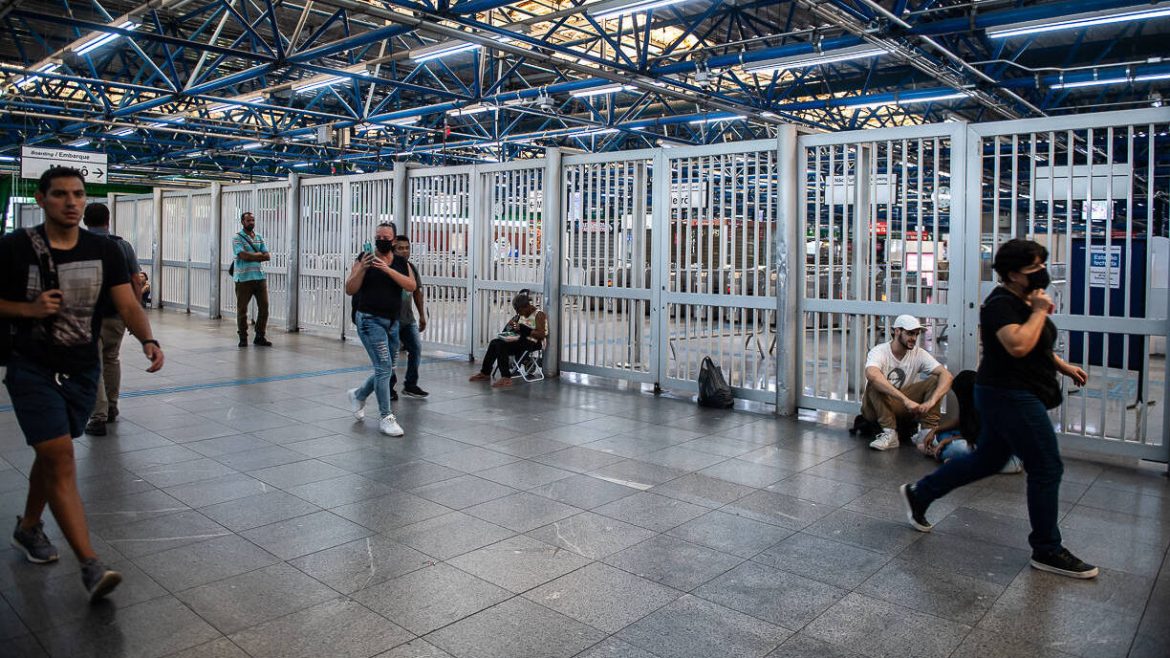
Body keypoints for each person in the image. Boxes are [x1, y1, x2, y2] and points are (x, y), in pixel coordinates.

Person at [0, 167, 165, 602]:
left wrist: (148, 339)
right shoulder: (15, 248)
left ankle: (28, 527)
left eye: (78, 194)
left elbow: (126, 301)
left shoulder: (103, 249)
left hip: (81, 370)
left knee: (51, 454)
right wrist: (27, 309)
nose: (71, 202)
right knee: (61, 456)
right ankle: (91, 565)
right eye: (60, 194)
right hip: (31, 368)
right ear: (41, 199)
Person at [901, 239, 1097, 579]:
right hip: (1008, 394)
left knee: (986, 460)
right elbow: (1018, 344)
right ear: (1013, 274)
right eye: (1033, 267)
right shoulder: (999, 305)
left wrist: (1062, 366)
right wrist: (1039, 311)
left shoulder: (1024, 299)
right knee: (1046, 465)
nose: (1041, 272)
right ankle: (1047, 548)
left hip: (1013, 392)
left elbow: (1036, 343)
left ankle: (920, 494)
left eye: (1042, 264)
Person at [345, 222, 416, 436]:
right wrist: (363, 268)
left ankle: (359, 395)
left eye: (386, 238)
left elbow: (411, 285)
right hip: (370, 320)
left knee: (386, 368)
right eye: (379, 237)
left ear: (393, 240)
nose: (382, 241)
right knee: (384, 367)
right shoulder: (364, 258)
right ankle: (386, 417)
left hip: (392, 322)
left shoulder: (400, 262)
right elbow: (350, 288)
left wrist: (387, 269)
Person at [82, 203, 142, 437]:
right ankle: (112, 407)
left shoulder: (79, 245)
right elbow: (136, 280)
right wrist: (135, 312)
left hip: (87, 315)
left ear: (85, 221)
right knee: (111, 358)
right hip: (117, 313)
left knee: (93, 363)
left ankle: (97, 417)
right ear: (108, 220)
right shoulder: (122, 245)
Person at [861, 314, 953, 451]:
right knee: (876, 382)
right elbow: (872, 374)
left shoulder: (918, 353)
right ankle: (889, 433)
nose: (914, 338)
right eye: (910, 333)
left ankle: (927, 433)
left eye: (916, 334)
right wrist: (905, 400)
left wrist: (931, 401)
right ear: (897, 331)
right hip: (874, 409)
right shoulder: (879, 351)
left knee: (936, 379)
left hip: (901, 408)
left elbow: (947, 376)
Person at [913, 370, 1023, 473]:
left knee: (960, 447)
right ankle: (940, 450)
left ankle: (939, 452)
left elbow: (979, 437)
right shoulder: (975, 404)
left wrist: (946, 441)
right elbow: (963, 424)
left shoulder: (990, 407)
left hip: (1010, 458)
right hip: (979, 442)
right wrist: (935, 430)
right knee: (944, 435)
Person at [469, 290, 547, 389]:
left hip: (532, 342)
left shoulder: (539, 315)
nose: (518, 313)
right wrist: (510, 328)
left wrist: (522, 328)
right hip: (519, 340)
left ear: (526, 306)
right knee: (494, 343)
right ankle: (485, 372)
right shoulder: (520, 315)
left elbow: (541, 335)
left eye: (519, 310)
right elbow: (511, 328)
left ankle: (506, 377)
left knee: (501, 345)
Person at [389, 235, 429, 399]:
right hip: (391, 319)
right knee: (391, 354)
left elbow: (417, 292)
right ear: (393, 250)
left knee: (416, 349)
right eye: (400, 248)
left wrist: (422, 315)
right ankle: (389, 387)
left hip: (408, 319)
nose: (405, 251)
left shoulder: (411, 267)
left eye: (407, 248)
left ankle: (410, 385)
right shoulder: (389, 267)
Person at [232, 211, 271, 347]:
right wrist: (259, 255)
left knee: (264, 308)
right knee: (242, 310)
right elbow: (243, 256)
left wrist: (254, 255)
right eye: (248, 220)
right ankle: (243, 337)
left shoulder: (259, 237)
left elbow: (267, 256)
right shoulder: (237, 238)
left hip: (260, 278)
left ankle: (260, 336)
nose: (251, 223)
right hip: (243, 279)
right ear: (242, 222)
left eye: (253, 220)